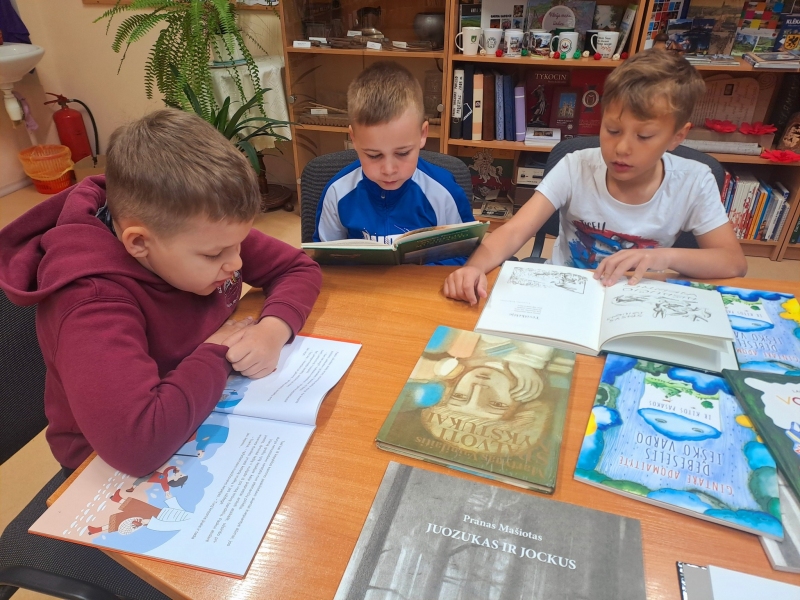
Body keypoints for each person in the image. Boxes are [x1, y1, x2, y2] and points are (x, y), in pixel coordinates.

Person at [0, 109, 322, 477]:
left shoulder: (198, 227)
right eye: (214, 255)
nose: (235, 262)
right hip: (102, 468)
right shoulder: (92, 301)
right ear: (138, 243)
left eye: (240, 243)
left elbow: (298, 268)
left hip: (195, 406)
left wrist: (273, 329)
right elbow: (136, 447)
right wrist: (218, 350)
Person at [444, 49, 747, 305]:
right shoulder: (575, 166)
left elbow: (733, 262)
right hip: (564, 295)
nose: (622, 148)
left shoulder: (694, 180)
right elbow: (513, 231)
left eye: (644, 136)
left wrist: (663, 258)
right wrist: (474, 268)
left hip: (635, 300)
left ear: (677, 136)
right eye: (612, 130)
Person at [313, 61, 474, 265]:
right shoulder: (337, 192)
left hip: (423, 285)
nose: (389, 170)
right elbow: (325, 260)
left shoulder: (443, 192)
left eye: (403, 153)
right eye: (374, 155)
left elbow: (465, 256)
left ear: (423, 134)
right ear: (353, 138)